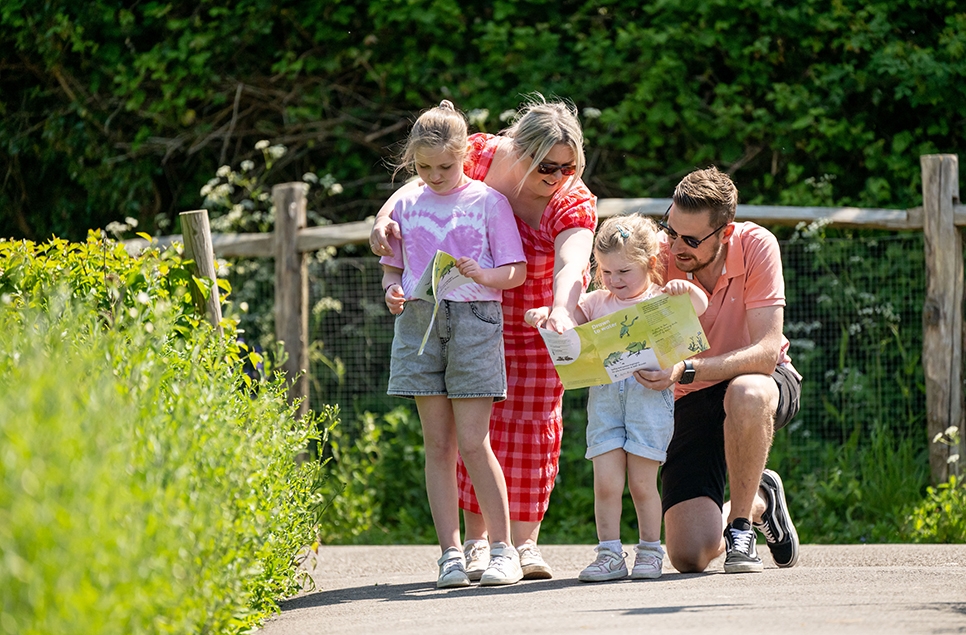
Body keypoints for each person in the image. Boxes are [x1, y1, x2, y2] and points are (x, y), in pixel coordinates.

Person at [371, 95, 597, 580]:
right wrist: (381, 218)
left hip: (534, 312)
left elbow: (573, 259)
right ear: (520, 149)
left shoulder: (571, 198)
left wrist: (561, 306)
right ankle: (475, 543)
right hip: (464, 311)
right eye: (547, 166)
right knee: (474, 431)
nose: (558, 177)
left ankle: (524, 541)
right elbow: (419, 182)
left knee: (536, 421)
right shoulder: (477, 154)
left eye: (569, 166)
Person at [379, 100, 528, 588]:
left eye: (445, 166)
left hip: (473, 320)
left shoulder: (488, 201)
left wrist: (484, 274)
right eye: (424, 167)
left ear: (465, 154)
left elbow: (515, 271)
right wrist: (391, 290)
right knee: (437, 444)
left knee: (473, 439)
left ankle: (504, 548)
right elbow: (392, 266)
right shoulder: (405, 202)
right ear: (412, 162)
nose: (436, 175)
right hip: (420, 320)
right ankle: (450, 553)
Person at [634, 166, 802, 574]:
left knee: (746, 391)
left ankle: (741, 528)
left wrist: (688, 368)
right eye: (671, 231)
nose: (675, 247)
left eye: (691, 240)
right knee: (689, 555)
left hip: (757, 382)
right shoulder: (660, 252)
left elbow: (765, 352)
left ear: (725, 233)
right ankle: (761, 497)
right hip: (689, 392)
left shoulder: (758, 244)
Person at [524, 214, 707, 582]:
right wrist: (547, 315)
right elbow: (568, 322)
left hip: (648, 404)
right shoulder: (596, 302)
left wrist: (686, 291)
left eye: (623, 271)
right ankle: (609, 554)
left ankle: (650, 551)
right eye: (606, 272)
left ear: (650, 263)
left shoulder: (661, 298)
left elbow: (700, 307)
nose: (614, 280)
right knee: (605, 483)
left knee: (642, 484)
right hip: (606, 406)